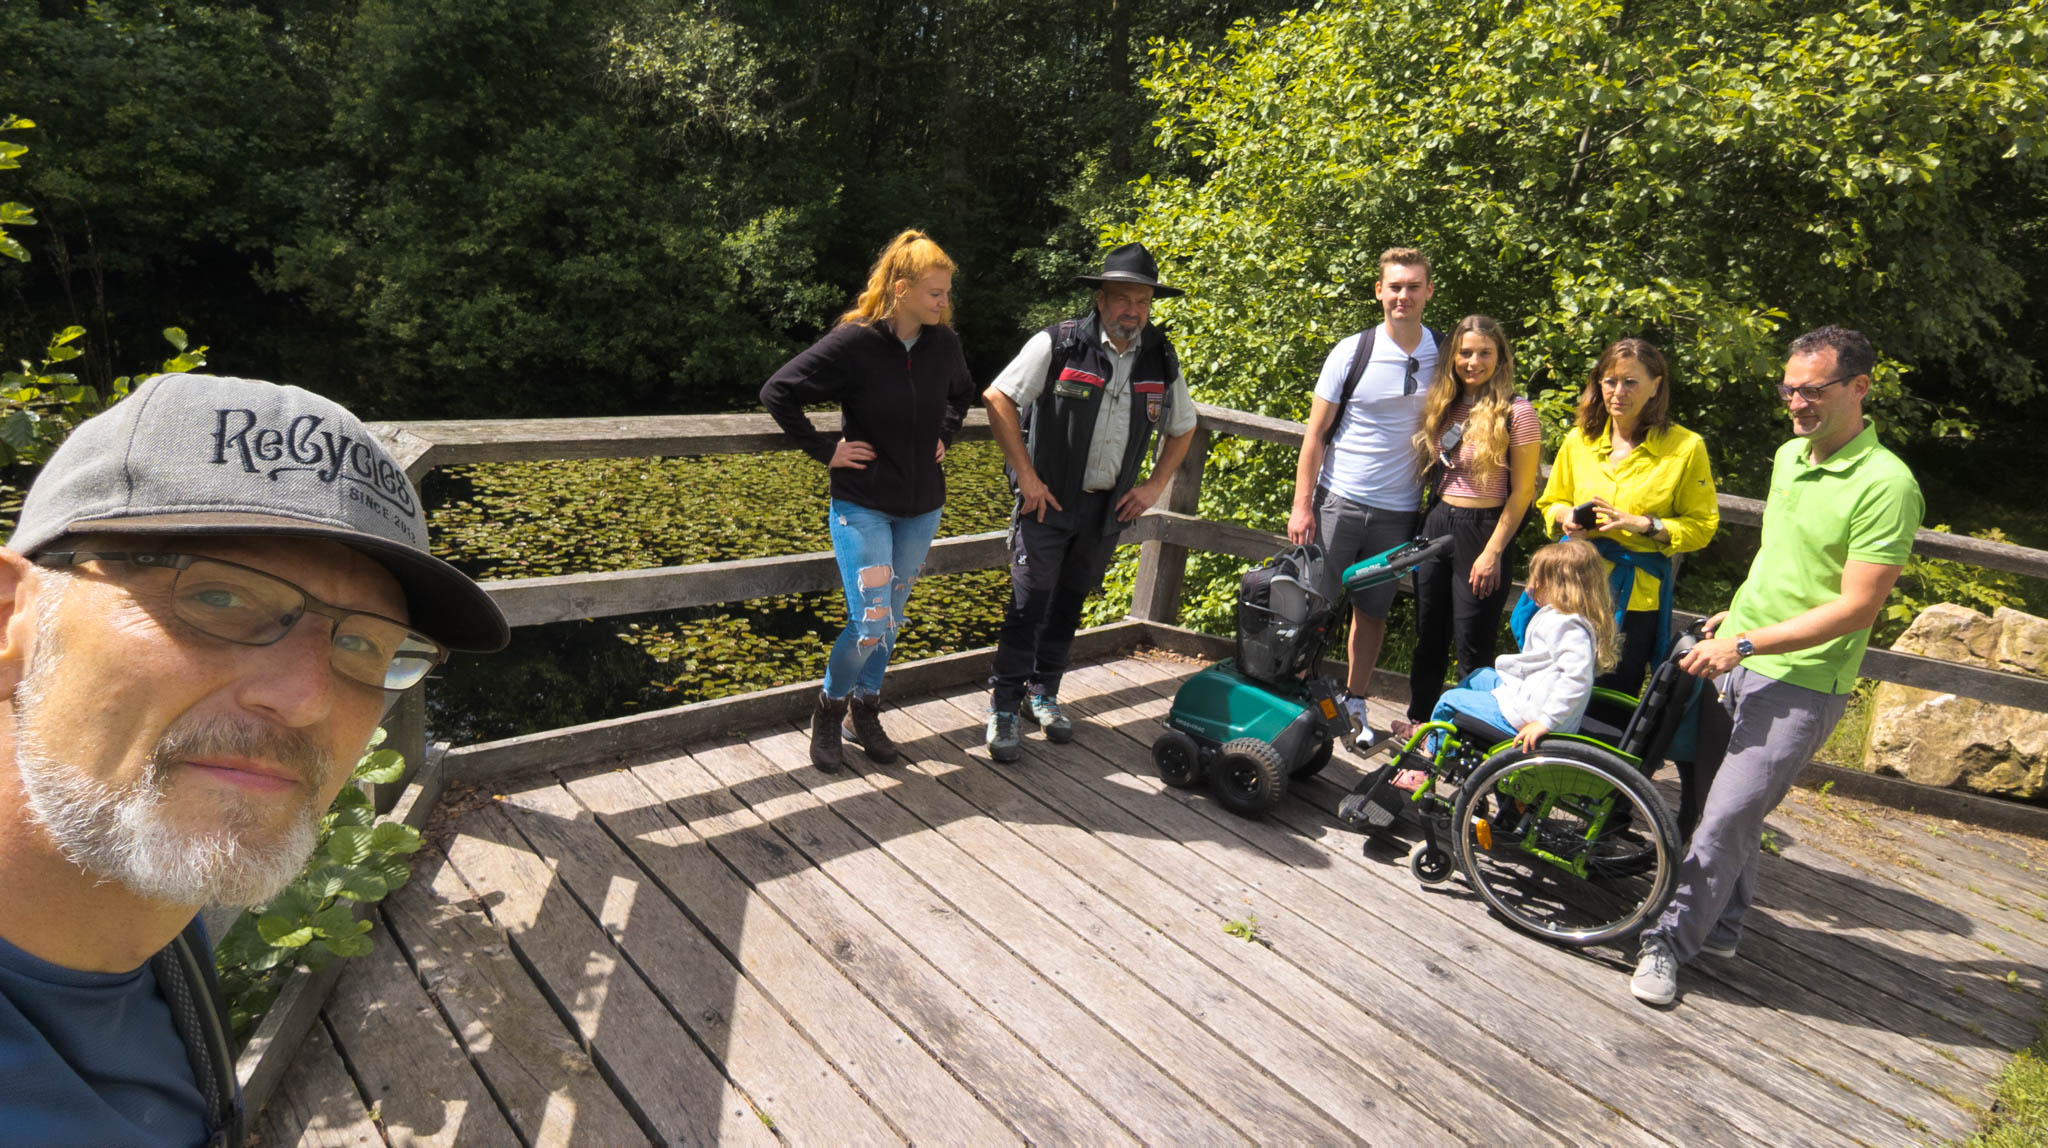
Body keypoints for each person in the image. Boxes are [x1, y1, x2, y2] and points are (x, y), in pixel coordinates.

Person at [0, 373, 508, 1147]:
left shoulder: (146, 890)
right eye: (217, 598)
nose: (306, 699)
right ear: (13, 618)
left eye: (365, 644)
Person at [1631, 326, 1923, 1007]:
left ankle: (1667, 943)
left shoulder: (1889, 486)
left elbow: (1856, 608)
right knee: (1721, 807)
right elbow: (1779, 561)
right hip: (1735, 655)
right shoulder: (1791, 456)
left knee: (1727, 816)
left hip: (1801, 681)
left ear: (1859, 387)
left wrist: (1748, 645)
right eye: (1789, 388)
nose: (1796, 402)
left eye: (1812, 389)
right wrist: (1734, 617)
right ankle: (1725, 924)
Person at [762, 229, 975, 773]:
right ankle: (829, 711)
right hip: (864, 505)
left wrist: (944, 435)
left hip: (923, 504)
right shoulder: (855, 342)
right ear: (901, 289)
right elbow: (778, 390)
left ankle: (866, 709)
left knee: (892, 616)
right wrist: (823, 448)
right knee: (870, 619)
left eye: (946, 293)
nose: (944, 303)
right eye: (935, 293)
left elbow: (961, 393)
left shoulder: (943, 344)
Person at [982, 243, 1198, 762]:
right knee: (1030, 601)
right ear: (1100, 299)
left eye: (1143, 301)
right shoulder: (1058, 344)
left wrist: (1151, 488)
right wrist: (1028, 478)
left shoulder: (1160, 355)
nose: (1133, 311)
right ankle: (1005, 706)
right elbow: (998, 398)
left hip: (1106, 509)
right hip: (1048, 502)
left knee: (1071, 599)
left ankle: (1044, 694)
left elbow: (1183, 427)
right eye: (1123, 299)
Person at [1288, 248, 1440, 749]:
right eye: (1394, 286)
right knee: (1314, 604)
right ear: (1379, 291)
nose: (1403, 295)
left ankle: (1355, 699)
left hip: (1399, 510)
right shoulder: (1352, 352)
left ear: (1428, 292)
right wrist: (1302, 504)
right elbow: (1315, 434)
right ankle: (1296, 692)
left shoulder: (1445, 355)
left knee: (1373, 611)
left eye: (1413, 286)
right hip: (1340, 501)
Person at [1535, 338, 1720, 696]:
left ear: (1656, 386)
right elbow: (1550, 502)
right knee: (1551, 687)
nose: (1618, 391)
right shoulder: (1579, 440)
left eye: (1631, 382)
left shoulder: (1685, 447)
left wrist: (1645, 525)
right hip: (1571, 585)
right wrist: (1566, 517)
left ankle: (1594, 754)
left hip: (1635, 598)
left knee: (1610, 694)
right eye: (1610, 381)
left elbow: (1702, 526)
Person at [1393, 314, 1541, 743]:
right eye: (1465, 352)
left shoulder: (1518, 412)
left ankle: (1464, 735)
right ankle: (1420, 723)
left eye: (1484, 353)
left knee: (1473, 644)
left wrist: (1493, 551)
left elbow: (1523, 492)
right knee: (1428, 635)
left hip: (1485, 527)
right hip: (1439, 521)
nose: (1473, 362)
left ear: (1501, 358)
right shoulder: (1445, 405)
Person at [1422, 539, 1616, 757]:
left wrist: (1545, 722)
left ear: (1559, 585)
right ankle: (1437, 734)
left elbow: (1576, 678)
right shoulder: (1565, 617)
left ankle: (1428, 758)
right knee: (1479, 677)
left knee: (1450, 700)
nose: (1530, 587)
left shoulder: (1567, 625)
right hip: (1532, 701)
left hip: (1533, 718)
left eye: (1538, 580)